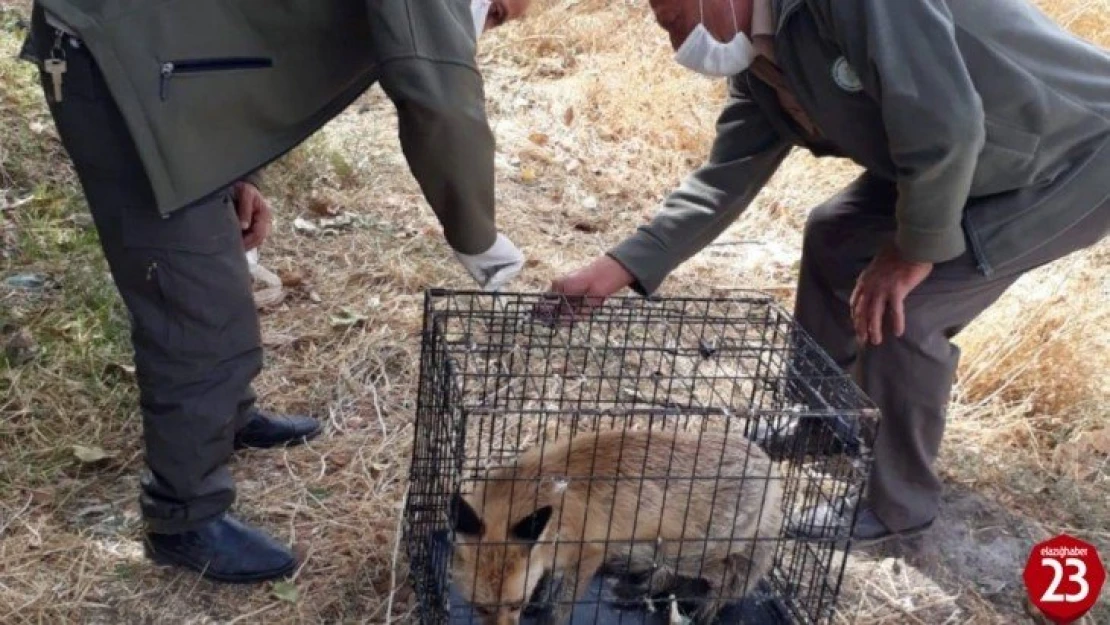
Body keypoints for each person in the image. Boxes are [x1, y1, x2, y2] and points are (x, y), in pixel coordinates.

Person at [552, 0, 1110, 544]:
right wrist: (620, 266)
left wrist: (911, 250)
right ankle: (822, 418)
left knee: (909, 310)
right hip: (963, 156)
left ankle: (897, 508)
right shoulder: (761, 63)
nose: (678, 48)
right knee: (834, 233)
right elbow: (727, 177)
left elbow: (946, 122)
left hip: (1068, 154)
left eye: (673, 23)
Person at [20, 0, 530, 583]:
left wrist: (239, 173)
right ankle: (183, 515)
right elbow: (437, 92)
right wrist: (478, 238)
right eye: (496, 16)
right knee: (196, 305)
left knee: (217, 267)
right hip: (119, 66)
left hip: (169, 68)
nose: (486, 30)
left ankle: (221, 421)